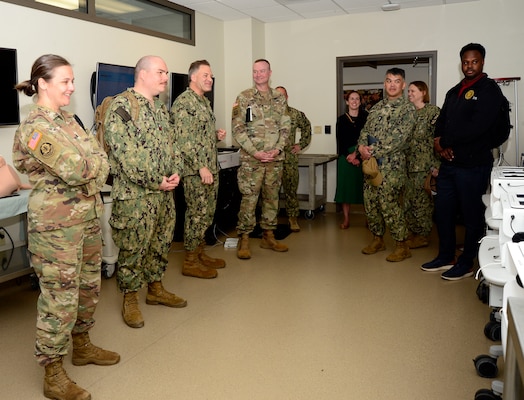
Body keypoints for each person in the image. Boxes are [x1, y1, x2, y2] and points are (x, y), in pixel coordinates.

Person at [12, 54, 120, 400]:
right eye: (65, 82)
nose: (72, 88)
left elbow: (100, 156)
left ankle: (83, 345)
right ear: (42, 83)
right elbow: (77, 169)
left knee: (89, 289)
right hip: (55, 228)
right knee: (60, 299)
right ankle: (53, 372)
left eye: (73, 81)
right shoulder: (34, 128)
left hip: (86, 218)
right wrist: (92, 164)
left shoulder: (69, 120)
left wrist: (92, 164)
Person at [104, 55, 187, 329]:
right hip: (136, 197)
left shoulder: (161, 108)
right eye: (161, 72)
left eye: (166, 72)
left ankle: (155, 288)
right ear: (142, 74)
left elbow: (171, 144)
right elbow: (125, 154)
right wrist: (156, 180)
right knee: (133, 249)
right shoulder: (122, 105)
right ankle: (130, 298)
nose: (165, 77)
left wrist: (175, 171)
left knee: (161, 243)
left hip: (164, 194)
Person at [421, 43, 509, 280]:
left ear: (482, 62)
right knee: (443, 212)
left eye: (475, 61)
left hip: (474, 165)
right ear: (461, 63)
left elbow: (477, 127)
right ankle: (446, 256)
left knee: (471, 216)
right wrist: (438, 142)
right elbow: (442, 121)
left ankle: (467, 262)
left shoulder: (489, 90)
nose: (469, 66)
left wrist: (446, 141)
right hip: (449, 164)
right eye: (466, 62)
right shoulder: (454, 91)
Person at [170, 60, 226, 279]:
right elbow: (182, 140)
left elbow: (198, 137)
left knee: (206, 214)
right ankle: (190, 261)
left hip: (210, 168)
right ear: (192, 77)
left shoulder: (203, 102)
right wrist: (201, 166)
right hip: (196, 171)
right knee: (196, 214)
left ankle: (200, 251)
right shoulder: (184, 102)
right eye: (205, 75)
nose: (209, 79)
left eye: (211, 76)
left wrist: (215, 136)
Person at [232, 59, 291, 259]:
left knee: (272, 198)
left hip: (274, 159)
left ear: (269, 73)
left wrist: (277, 149)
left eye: (262, 71)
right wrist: (254, 152)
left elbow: (286, 127)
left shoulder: (279, 98)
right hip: (252, 160)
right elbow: (238, 129)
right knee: (249, 198)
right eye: (255, 71)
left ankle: (268, 235)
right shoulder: (244, 97)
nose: (258, 75)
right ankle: (245, 238)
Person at [357, 67, 416, 262]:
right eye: (389, 80)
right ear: (384, 83)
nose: (392, 84)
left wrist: (371, 150)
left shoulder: (407, 109)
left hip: (391, 167)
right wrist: (361, 147)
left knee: (389, 204)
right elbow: (365, 130)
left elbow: (399, 139)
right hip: (371, 165)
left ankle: (401, 244)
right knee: (371, 203)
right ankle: (378, 239)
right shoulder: (376, 107)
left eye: (396, 81)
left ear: (403, 84)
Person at [405, 81, 440, 248]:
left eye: (412, 91)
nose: (409, 93)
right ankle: (412, 232)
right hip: (406, 166)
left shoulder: (433, 112)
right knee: (408, 201)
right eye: (409, 91)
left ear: (423, 92)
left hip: (424, 165)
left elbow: (439, 140)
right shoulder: (407, 113)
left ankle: (423, 235)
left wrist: (436, 165)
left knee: (422, 202)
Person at [275, 85, 312, 232]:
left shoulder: (295, 114)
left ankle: (292, 219)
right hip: (273, 160)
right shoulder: (268, 115)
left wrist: (300, 145)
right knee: (272, 192)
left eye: (282, 95)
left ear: (287, 97)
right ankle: (271, 221)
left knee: (291, 190)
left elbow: (307, 127)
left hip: (289, 159)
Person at [334, 90, 367, 229]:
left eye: (357, 99)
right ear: (347, 102)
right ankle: (346, 219)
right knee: (345, 190)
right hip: (345, 157)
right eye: (351, 99)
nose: (354, 101)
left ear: (360, 102)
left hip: (363, 156)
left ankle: (368, 219)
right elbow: (340, 141)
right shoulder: (341, 119)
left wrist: (358, 155)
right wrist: (350, 157)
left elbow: (369, 138)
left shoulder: (366, 117)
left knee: (365, 190)